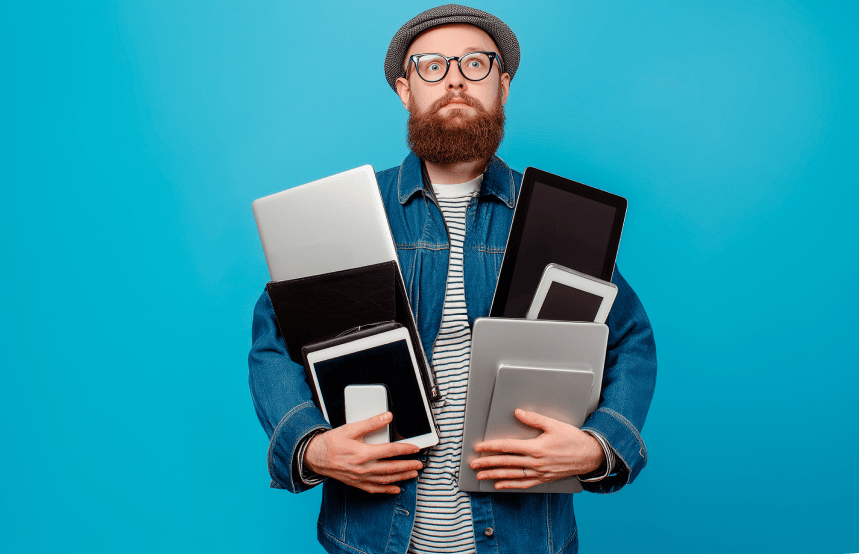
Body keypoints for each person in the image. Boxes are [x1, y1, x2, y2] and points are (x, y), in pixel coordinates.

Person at [248, 5, 657, 553]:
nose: (456, 79)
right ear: (404, 89)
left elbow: (630, 338)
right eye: (432, 66)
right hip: (373, 541)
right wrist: (310, 445)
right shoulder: (343, 215)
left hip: (523, 541)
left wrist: (600, 445)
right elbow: (275, 342)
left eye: (476, 64)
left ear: (503, 86)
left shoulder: (560, 223)